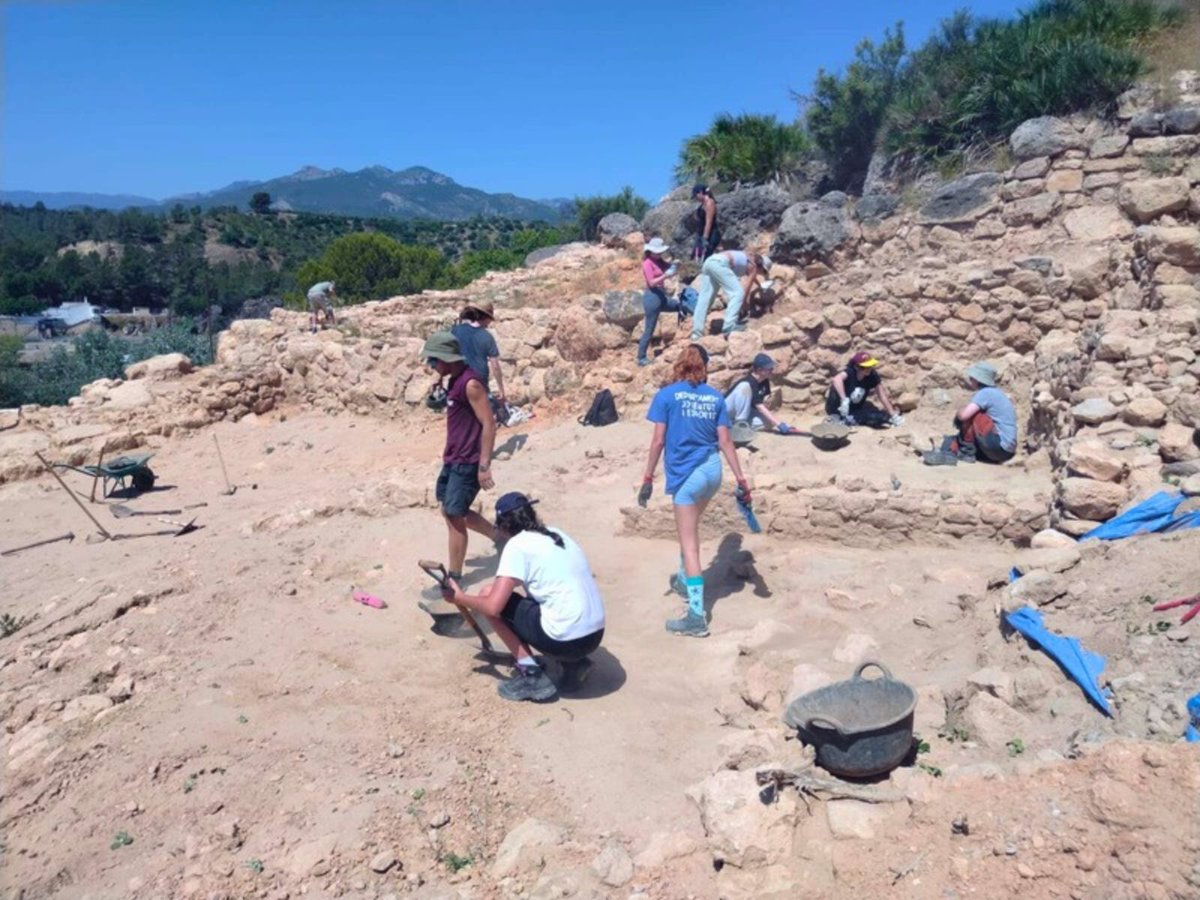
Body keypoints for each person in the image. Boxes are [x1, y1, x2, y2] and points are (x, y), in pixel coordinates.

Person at [441, 492, 606, 702]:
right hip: (594, 637)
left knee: (488, 594)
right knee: (545, 600)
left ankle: (532, 674)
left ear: (503, 527)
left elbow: (492, 606)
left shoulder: (517, 545)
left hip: (565, 641)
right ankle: (575, 665)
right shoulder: (557, 534)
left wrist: (460, 598)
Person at [639, 344, 751, 637]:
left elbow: (658, 441)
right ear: (705, 366)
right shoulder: (714, 397)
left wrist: (648, 477)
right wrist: (741, 478)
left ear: (679, 365)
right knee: (689, 529)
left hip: (687, 477)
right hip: (712, 471)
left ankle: (696, 616)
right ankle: (683, 579)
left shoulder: (666, 396)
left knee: (689, 544)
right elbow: (725, 441)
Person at [422, 331, 498, 589]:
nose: (431, 366)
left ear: (446, 358)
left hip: (468, 461)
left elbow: (489, 424)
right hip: (453, 457)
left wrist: (484, 465)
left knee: (455, 517)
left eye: (434, 360)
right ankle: (498, 536)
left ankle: (454, 580)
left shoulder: (470, 384)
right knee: (451, 510)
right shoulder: (454, 380)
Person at [925, 362, 1018, 465]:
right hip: (1007, 452)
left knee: (974, 415)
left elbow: (964, 416)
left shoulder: (986, 393)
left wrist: (959, 413)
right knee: (955, 438)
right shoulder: (998, 393)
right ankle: (958, 449)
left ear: (978, 380)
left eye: (972, 378)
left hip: (998, 446)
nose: (970, 380)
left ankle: (966, 452)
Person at [450, 300, 520, 425]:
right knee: (484, 420)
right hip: (479, 380)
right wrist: (501, 390)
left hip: (458, 379)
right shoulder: (486, 336)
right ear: (485, 317)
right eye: (490, 319)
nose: (490, 323)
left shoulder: (456, 331)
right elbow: (495, 365)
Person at [690, 250, 771, 340]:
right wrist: (743, 304)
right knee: (737, 293)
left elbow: (752, 278)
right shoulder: (754, 267)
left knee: (705, 300)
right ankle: (729, 326)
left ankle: (696, 334)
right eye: (763, 272)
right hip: (720, 264)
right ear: (761, 266)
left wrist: (759, 285)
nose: (761, 274)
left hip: (710, 262)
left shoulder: (748, 257)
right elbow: (746, 288)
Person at [825, 351, 903, 428]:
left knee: (878, 417)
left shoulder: (872, 375)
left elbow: (882, 395)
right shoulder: (850, 372)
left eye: (870, 366)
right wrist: (844, 400)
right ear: (857, 367)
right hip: (838, 407)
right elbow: (836, 379)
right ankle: (835, 417)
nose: (869, 369)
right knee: (836, 387)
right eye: (865, 367)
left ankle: (848, 420)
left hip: (854, 410)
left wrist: (893, 414)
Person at [637, 237, 682, 366]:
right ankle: (641, 358)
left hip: (661, 296)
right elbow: (651, 282)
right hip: (652, 296)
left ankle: (684, 330)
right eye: (657, 252)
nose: (659, 254)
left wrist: (676, 265)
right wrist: (665, 276)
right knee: (649, 329)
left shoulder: (659, 260)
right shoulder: (647, 263)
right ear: (650, 251)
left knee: (679, 306)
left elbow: (671, 268)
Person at [725, 353, 794, 433]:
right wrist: (778, 424)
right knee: (745, 386)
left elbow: (762, 403)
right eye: (768, 368)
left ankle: (733, 425)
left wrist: (776, 422)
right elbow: (760, 406)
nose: (771, 370)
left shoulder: (765, 381)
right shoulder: (749, 381)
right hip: (727, 411)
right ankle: (739, 425)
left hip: (746, 412)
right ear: (759, 370)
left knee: (768, 422)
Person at [692, 184, 720, 260]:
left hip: (711, 235)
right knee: (699, 257)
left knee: (708, 258)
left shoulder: (709, 203)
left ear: (701, 192)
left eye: (696, 196)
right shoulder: (701, 205)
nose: (696, 198)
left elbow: (709, 222)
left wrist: (705, 237)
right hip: (702, 235)